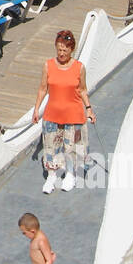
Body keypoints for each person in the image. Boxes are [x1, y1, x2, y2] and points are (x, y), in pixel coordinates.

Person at [33, 29, 94, 193]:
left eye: (65, 50)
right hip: (52, 115)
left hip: (73, 115)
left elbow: (82, 90)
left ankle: (70, 174)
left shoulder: (79, 68)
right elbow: (42, 89)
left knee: (71, 148)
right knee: (51, 148)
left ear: (71, 50)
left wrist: (89, 109)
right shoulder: (48, 65)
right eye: (59, 49)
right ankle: (51, 176)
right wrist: (36, 109)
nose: (61, 53)